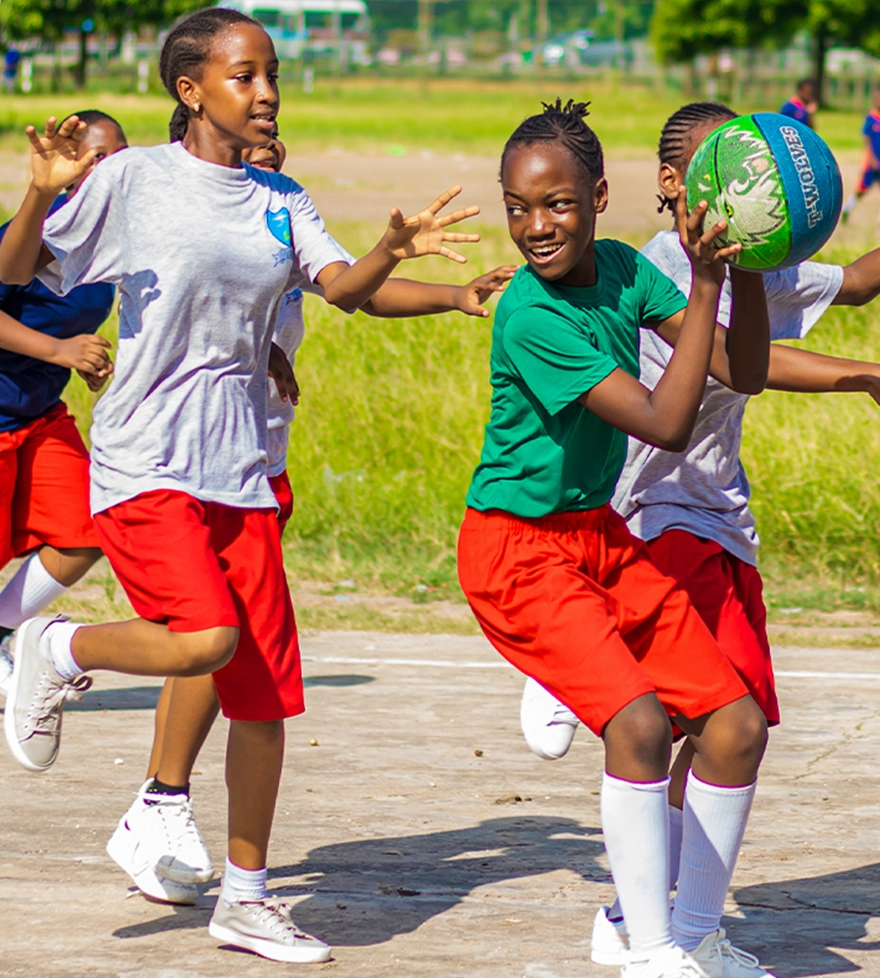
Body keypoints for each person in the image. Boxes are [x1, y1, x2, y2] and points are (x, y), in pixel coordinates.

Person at [0, 7, 493, 964]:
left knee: (262, 701)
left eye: (272, 75)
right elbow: (14, 271)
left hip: (240, 469)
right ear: (191, 90)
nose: (266, 92)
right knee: (207, 637)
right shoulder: (134, 179)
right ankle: (50, 647)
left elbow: (342, 286)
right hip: (146, 462)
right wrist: (38, 195)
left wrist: (407, 261)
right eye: (244, 76)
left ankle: (249, 899)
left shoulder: (281, 197)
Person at [106, 127, 514, 907]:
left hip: (257, 469)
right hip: (182, 468)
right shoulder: (177, 213)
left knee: (232, 662)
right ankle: (160, 801)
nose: (268, 155)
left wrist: (451, 296)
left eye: (277, 148)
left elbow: (351, 290)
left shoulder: (278, 218)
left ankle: (176, 822)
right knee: (208, 639)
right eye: (252, 149)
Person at [521, 100, 880, 973]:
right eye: (729, 169)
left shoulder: (758, 256)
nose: (750, 187)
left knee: (724, 732)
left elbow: (862, 282)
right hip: (658, 516)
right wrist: (860, 375)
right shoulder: (663, 266)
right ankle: (667, 926)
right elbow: (743, 361)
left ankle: (651, 914)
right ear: (676, 184)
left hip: (723, 520)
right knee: (716, 720)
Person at [458, 98, 774, 978]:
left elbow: (740, 370)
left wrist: (748, 268)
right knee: (637, 725)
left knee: (735, 725)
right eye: (517, 206)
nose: (535, 225)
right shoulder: (531, 317)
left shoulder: (628, 271)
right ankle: (649, 951)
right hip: (516, 553)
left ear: (599, 197)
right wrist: (709, 280)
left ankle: (699, 935)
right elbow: (666, 425)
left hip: (597, 535)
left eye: (557, 203)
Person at [0, 110, 126, 693]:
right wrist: (59, 350)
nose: (108, 167)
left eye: (119, 155)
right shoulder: (42, 226)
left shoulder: (116, 240)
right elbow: (11, 271)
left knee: (89, 528)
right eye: (95, 155)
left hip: (38, 413)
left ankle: (2, 632)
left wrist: (92, 360)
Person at [842, 90, 880, 223]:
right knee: (862, 189)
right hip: (872, 162)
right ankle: (847, 207)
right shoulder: (871, 118)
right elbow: (867, 140)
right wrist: (871, 159)